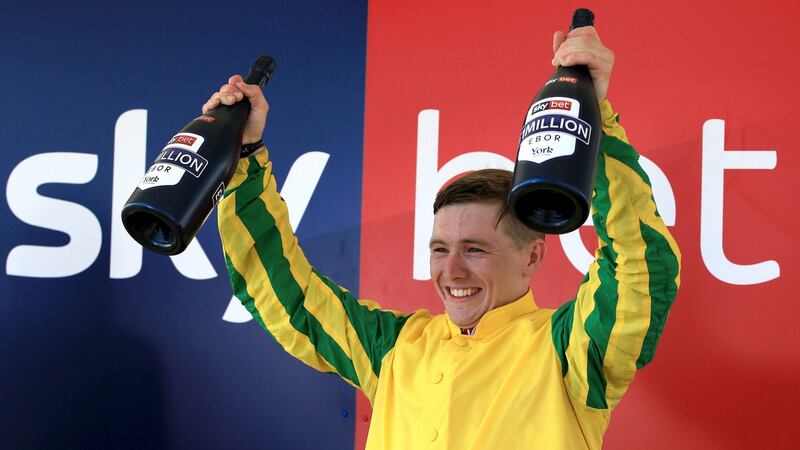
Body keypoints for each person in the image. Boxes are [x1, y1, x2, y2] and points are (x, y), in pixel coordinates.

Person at [207, 25, 681, 450]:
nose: (451, 271)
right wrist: (243, 153)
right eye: (440, 249)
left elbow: (641, 267)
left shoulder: (570, 351)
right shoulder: (396, 347)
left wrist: (592, 117)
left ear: (533, 255)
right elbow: (288, 295)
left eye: (475, 249)